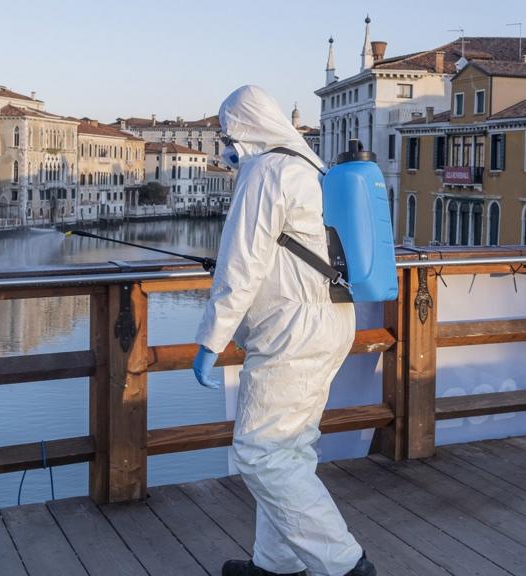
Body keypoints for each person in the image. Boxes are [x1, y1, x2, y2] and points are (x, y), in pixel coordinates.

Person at [192, 85, 376, 576]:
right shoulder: (306, 165)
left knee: (261, 451)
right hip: (331, 316)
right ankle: (276, 564)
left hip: (294, 328)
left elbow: (241, 263)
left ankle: (344, 565)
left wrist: (212, 339)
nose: (223, 140)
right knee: (290, 447)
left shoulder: (266, 172)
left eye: (225, 130)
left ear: (241, 126)